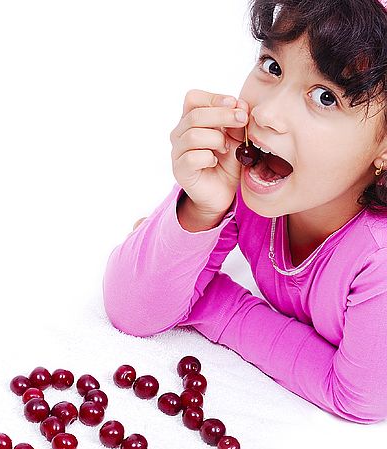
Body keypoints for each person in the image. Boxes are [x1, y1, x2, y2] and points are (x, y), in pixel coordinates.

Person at [103, 0, 387, 424]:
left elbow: (361, 398)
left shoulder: (377, 255)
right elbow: (132, 308)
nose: (267, 114)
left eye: (325, 97)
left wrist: (211, 302)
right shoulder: (250, 177)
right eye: (272, 67)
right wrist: (199, 210)